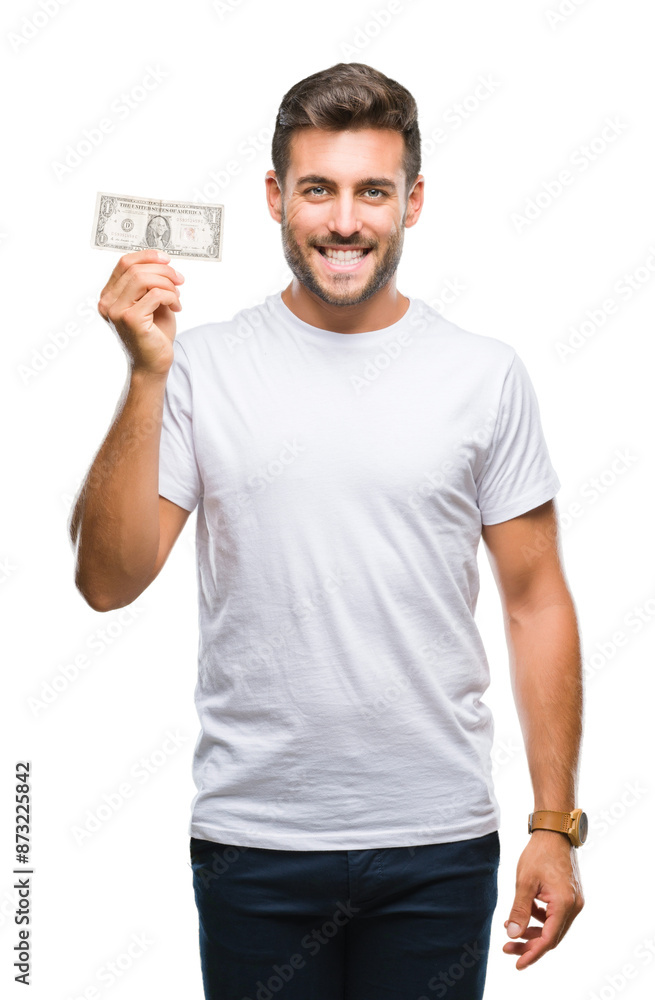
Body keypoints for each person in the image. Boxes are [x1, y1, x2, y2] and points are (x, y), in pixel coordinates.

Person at [68, 61, 585, 1000]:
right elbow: (106, 580)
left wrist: (554, 824)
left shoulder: (484, 375)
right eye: (318, 189)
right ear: (275, 198)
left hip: (437, 843)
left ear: (412, 202)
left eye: (371, 192)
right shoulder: (201, 368)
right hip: (254, 846)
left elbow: (535, 600)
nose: (344, 221)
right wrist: (145, 376)